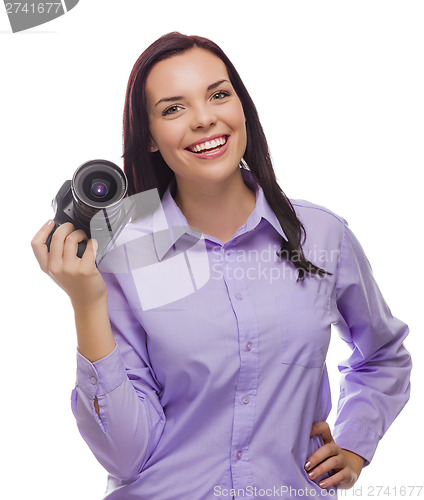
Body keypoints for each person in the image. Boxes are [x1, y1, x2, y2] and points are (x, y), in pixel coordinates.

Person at [31, 32, 412, 499]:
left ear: (241, 107)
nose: (204, 118)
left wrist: (355, 444)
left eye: (218, 95)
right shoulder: (128, 248)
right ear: (149, 138)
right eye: (173, 108)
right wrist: (87, 303)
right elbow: (126, 455)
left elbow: (384, 356)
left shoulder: (320, 236)